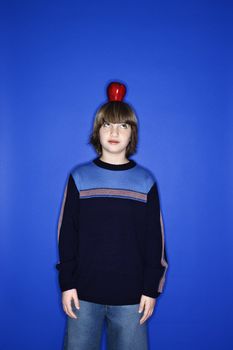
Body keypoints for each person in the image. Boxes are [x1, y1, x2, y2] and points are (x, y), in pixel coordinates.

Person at [56, 82, 169, 350]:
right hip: (83, 295)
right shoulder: (79, 177)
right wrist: (67, 283)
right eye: (107, 124)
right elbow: (67, 233)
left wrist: (150, 288)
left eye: (123, 125)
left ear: (132, 134)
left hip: (132, 298)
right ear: (97, 131)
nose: (114, 132)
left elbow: (156, 240)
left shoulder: (145, 181)